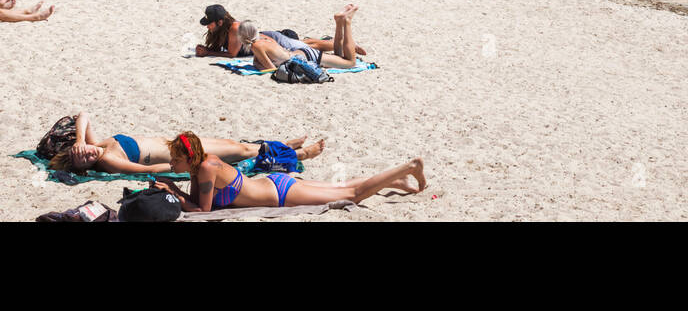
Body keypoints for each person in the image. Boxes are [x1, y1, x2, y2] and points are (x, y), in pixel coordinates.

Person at [150, 132, 425, 211]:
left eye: (175, 160)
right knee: (342, 188)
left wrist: (173, 190)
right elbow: (198, 202)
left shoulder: (208, 168)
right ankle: (396, 180)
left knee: (351, 195)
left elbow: (203, 210)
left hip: (280, 193)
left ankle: (409, 167)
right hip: (273, 185)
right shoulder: (201, 166)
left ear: (189, 157)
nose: (172, 165)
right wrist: (176, 187)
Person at [43, 111, 324, 175]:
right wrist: (186, 166)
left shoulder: (97, 144)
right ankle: (299, 154)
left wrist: (80, 141)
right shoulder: (107, 159)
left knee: (234, 144)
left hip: (175, 142)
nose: (91, 155)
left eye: (85, 153)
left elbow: (83, 115)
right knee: (239, 151)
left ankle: (285, 145)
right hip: (180, 152)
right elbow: (147, 171)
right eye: (88, 160)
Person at [195, 5, 368, 70]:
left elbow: (232, 55)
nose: (207, 26)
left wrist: (208, 53)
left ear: (219, 22)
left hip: (282, 43)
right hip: (290, 51)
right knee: (310, 45)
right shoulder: (226, 30)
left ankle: (348, 38)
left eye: (209, 23)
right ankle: (344, 33)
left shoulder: (234, 29)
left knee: (309, 45)